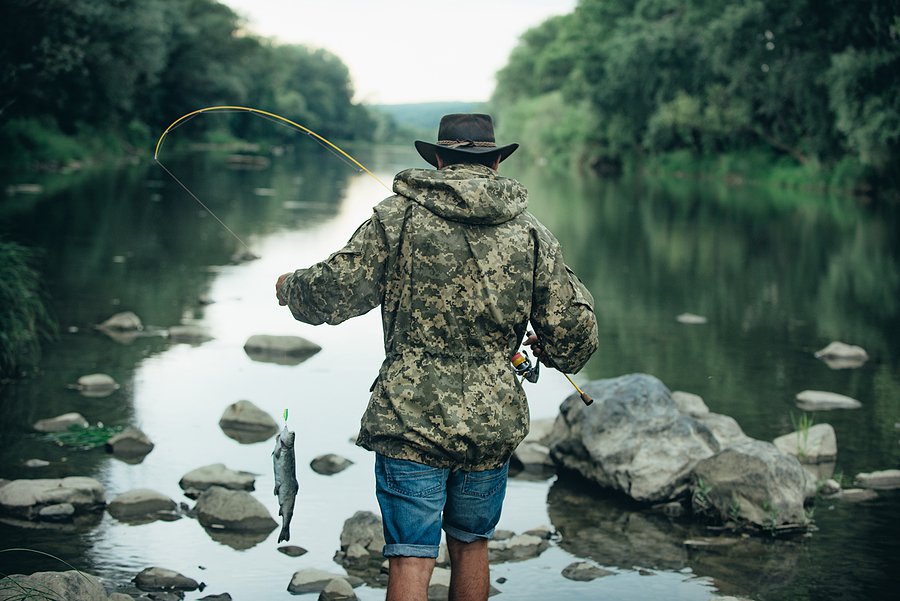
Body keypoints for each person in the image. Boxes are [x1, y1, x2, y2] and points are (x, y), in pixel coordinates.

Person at [275, 113, 598, 601]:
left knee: (410, 554)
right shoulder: (532, 233)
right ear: (492, 162)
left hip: (410, 417)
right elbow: (575, 335)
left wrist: (289, 288)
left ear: (441, 159)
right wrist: (547, 350)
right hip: (491, 421)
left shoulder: (396, 216)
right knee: (472, 545)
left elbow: (334, 293)